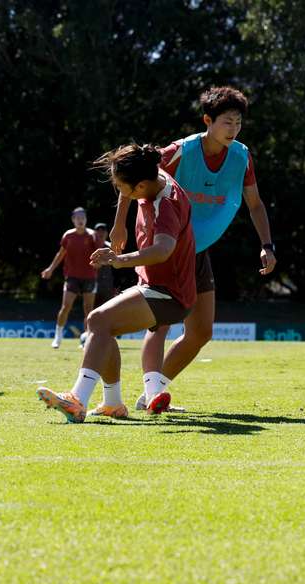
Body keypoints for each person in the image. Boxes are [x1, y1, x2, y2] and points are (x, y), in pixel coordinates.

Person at [105, 86, 275, 413]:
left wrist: (266, 245)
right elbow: (132, 177)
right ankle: (150, 391)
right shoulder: (180, 151)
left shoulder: (241, 156)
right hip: (165, 245)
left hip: (198, 248)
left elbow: (255, 204)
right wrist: (119, 224)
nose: (234, 129)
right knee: (162, 321)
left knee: (201, 331)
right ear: (207, 121)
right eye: (227, 122)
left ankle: (153, 394)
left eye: (238, 122)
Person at [36, 144, 196, 422]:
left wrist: (117, 260)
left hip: (170, 294)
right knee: (102, 326)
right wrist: (119, 221)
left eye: (122, 187)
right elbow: (129, 188)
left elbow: (163, 250)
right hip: (155, 285)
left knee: (98, 320)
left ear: (141, 185)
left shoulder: (166, 205)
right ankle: (112, 404)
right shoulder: (150, 167)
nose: (120, 191)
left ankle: (77, 398)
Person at [41, 207, 100, 348]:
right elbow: (61, 254)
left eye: (83, 218)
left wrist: (99, 263)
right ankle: (58, 337)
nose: (80, 220)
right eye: (78, 218)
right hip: (72, 277)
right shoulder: (68, 235)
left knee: (88, 310)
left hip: (90, 277)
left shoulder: (93, 236)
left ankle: (86, 339)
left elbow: (99, 255)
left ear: (86, 219)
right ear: (73, 220)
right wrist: (50, 269)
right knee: (65, 306)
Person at [92, 223, 118, 309]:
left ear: (107, 233)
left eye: (103, 231)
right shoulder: (89, 246)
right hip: (92, 284)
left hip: (108, 285)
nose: (101, 233)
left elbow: (118, 266)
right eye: (98, 231)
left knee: (108, 310)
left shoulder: (112, 247)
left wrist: (116, 286)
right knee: (90, 310)